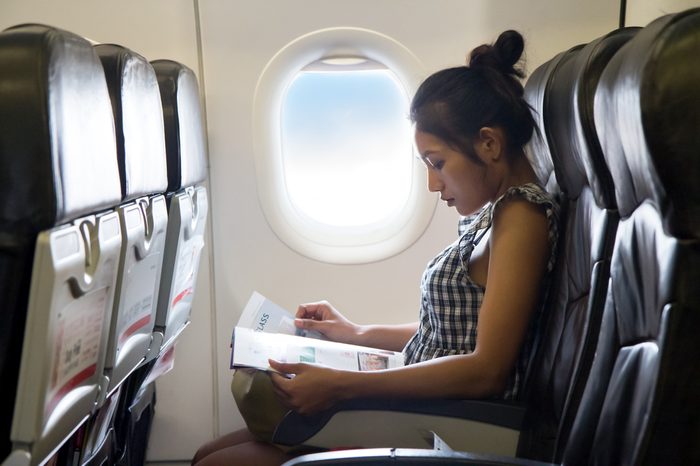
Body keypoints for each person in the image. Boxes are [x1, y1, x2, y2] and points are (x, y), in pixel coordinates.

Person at [192, 29, 559, 466]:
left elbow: (487, 370)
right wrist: (355, 333)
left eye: (438, 163)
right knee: (208, 453)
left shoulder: (522, 216)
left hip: (450, 422)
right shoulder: (492, 213)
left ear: (489, 143)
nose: (432, 184)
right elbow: (448, 334)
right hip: (417, 405)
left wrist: (341, 386)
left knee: (218, 463)